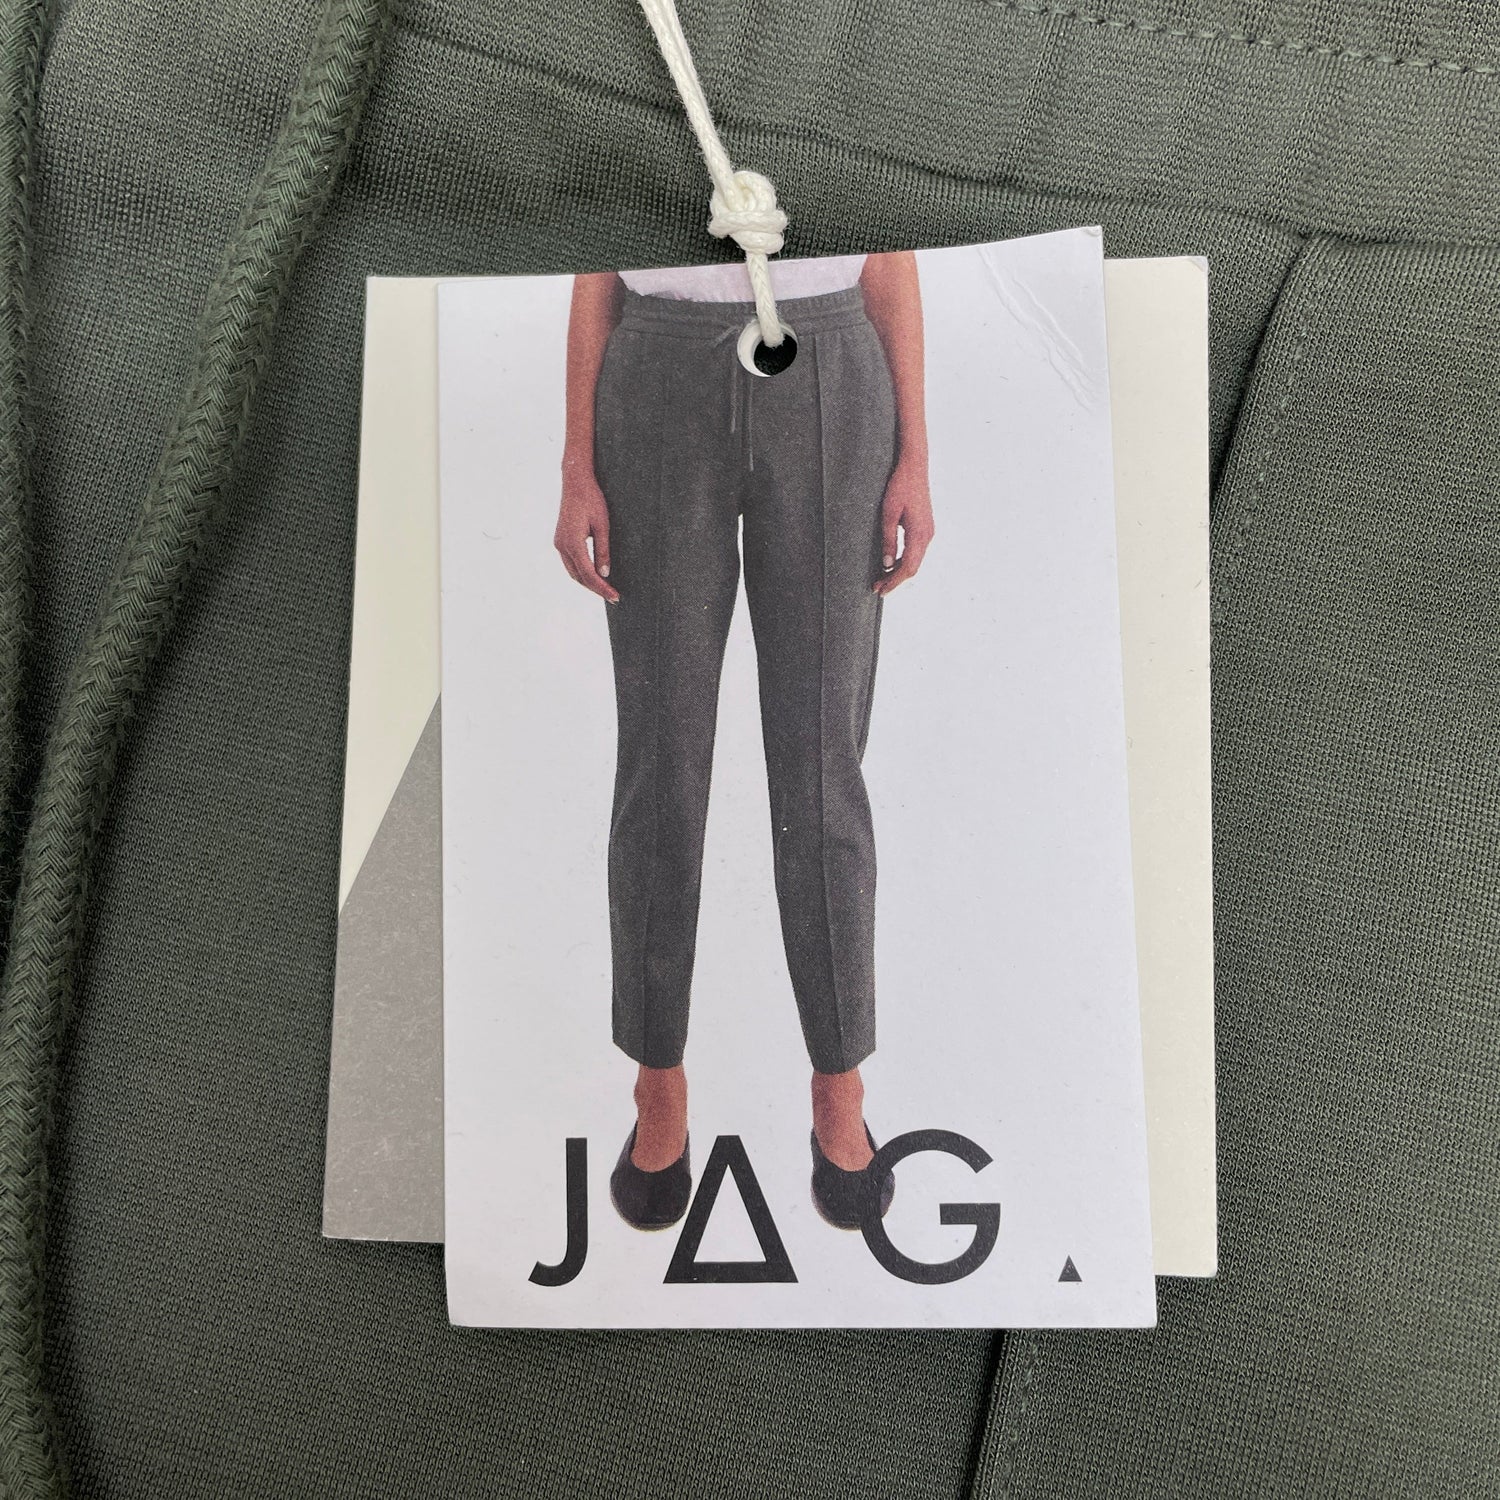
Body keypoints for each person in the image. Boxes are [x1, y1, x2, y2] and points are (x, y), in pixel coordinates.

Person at [554, 251, 934, 1231]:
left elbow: (890, 261)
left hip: (833, 372)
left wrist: (916, 458)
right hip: (657, 377)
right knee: (662, 762)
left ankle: (839, 1082)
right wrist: (575, 464)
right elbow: (595, 272)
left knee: (822, 768)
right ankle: (657, 1079)